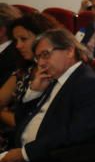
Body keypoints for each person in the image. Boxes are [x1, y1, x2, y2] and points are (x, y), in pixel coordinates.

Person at [0, 29, 95, 162]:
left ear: (69, 50)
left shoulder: (88, 84)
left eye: (45, 55)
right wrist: (34, 92)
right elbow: (21, 121)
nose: (41, 63)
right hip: (33, 158)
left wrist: (25, 153)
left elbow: (74, 134)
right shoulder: (54, 78)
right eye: (38, 58)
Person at [0, 12, 59, 145]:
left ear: (43, 38)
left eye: (24, 39)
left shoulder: (52, 72)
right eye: (16, 40)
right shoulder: (26, 67)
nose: (18, 45)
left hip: (25, 140)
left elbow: (27, 121)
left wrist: (2, 114)